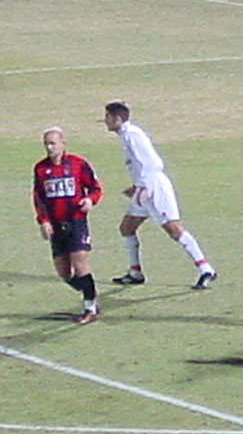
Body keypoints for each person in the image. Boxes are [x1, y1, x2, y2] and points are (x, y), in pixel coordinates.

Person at [103, 101, 217, 290]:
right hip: (143, 189)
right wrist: (136, 186)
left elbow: (152, 163)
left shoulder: (133, 135)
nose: (105, 121)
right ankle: (135, 273)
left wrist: (144, 187)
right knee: (126, 227)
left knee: (174, 229)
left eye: (107, 117)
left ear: (117, 118)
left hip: (154, 188)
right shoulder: (125, 135)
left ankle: (206, 269)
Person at [32, 127, 104, 324]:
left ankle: (89, 308)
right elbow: (39, 198)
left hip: (76, 221)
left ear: (63, 143)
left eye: (53, 143)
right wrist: (43, 221)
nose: (49, 147)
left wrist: (90, 200)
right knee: (64, 272)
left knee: (79, 261)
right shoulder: (40, 169)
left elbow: (96, 188)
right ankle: (90, 293)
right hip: (55, 225)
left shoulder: (77, 164)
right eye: (46, 143)